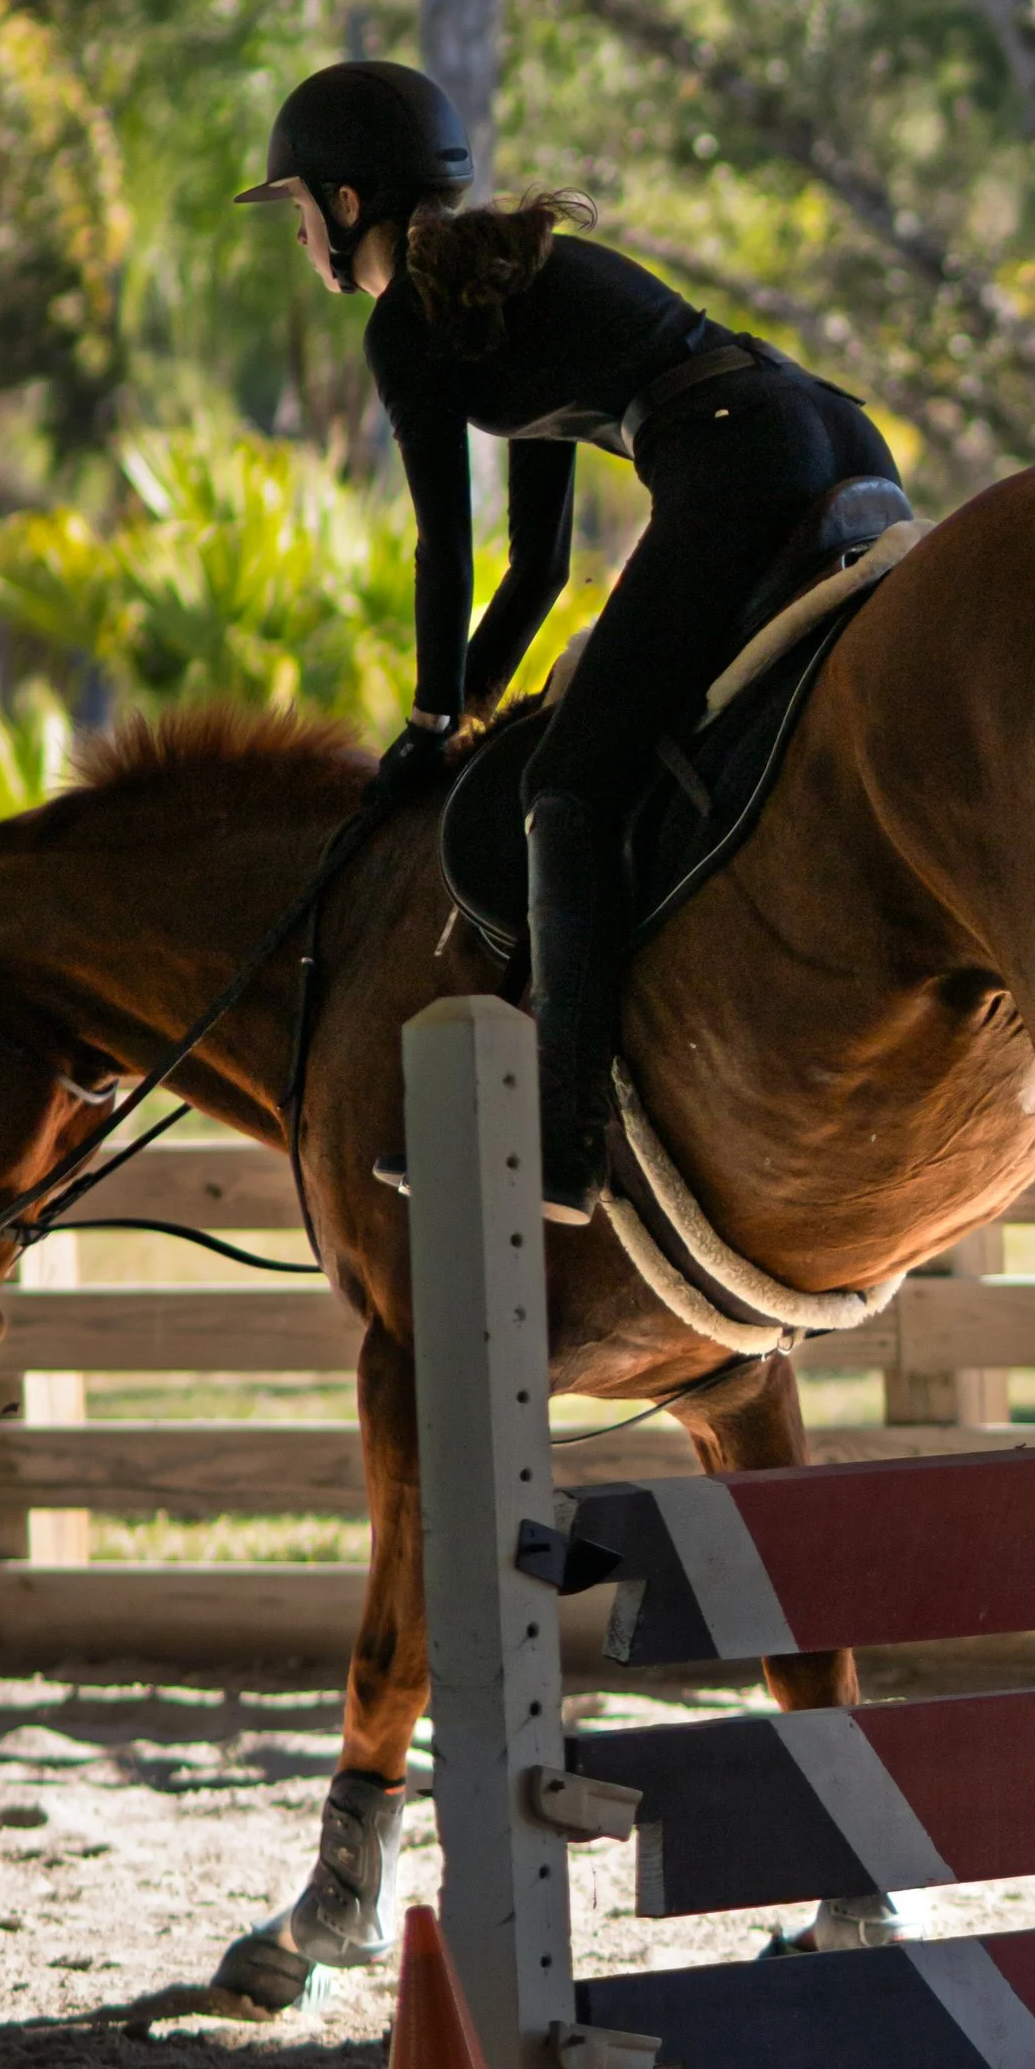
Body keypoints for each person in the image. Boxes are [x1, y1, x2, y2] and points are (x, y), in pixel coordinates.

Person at [239, 60, 903, 1223]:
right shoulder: (495, 286)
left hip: (738, 459)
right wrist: (470, 709)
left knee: (568, 792)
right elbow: (537, 567)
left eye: (297, 208)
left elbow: (444, 551)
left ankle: (562, 1136)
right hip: (827, 433)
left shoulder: (411, 322)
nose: (298, 237)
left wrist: (429, 719)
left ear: (347, 203)